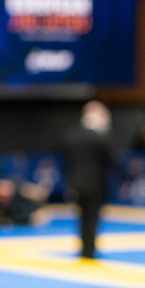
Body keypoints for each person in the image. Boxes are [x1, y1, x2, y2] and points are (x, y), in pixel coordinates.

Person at [61, 100, 117, 259]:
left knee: (82, 217)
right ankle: (89, 251)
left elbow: (66, 162)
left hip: (76, 184)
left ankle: (84, 249)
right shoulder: (100, 137)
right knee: (92, 218)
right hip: (96, 185)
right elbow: (111, 161)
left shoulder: (70, 135)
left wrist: (70, 182)